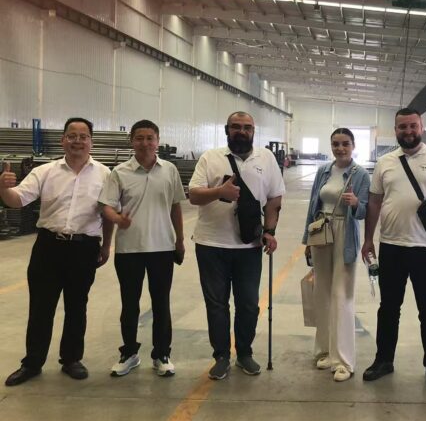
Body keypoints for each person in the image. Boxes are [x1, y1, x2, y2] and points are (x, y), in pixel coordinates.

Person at [0, 118, 114, 386]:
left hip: (84, 248)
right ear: (63, 140)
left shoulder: (105, 174)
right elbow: (17, 200)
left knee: (77, 306)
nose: (77, 141)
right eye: (72, 136)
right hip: (48, 248)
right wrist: (3, 187)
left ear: (91, 142)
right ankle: (32, 362)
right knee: (41, 307)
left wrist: (106, 245)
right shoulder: (45, 172)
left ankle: (71, 359)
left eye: (83, 136)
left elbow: (107, 214)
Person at [361, 107, 426, 389]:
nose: (408, 131)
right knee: (388, 308)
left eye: (412, 126)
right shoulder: (385, 162)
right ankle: (384, 360)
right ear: (395, 130)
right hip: (391, 246)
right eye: (402, 127)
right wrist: (368, 240)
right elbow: (374, 202)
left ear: (421, 127)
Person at [189, 111, 285, 380]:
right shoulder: (210, 158)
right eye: (236, 127)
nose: (241, 132)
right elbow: (193, 195)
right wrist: (219, 192)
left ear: (253, 131)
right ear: (226, 130)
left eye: (247, 127)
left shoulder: (266, 158)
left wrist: (270, 231)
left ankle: (244, 353)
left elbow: (274, 199)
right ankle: (221, 356)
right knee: (216, 304)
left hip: (249, 246)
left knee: (248, 304)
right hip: (211, 244)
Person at [99, 120, 186, 378]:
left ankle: (161, 354)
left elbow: (175, 206)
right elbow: (106, 207)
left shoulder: (169, 170)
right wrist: (117, 219)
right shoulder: (119, 172)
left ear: (157, 141)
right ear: (132, 141)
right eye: (139, 138)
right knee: (129, 305)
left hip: (162, 248)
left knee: (161, 304)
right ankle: (129, 353)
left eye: (150, 138)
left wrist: (180, 240)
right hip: (129, 250)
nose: (145, 143)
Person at [302, 128, 370, 382]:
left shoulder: (360, 174)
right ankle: (325, 350)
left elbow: (365, 211)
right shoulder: (323, 171)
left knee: (342, 294)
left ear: (353, 146)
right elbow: (313, 204)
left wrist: (356, 204)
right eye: (336, 144)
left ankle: (343, 360)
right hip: (321, 230)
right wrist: (307, 239)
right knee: (322, 292)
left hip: (345, 233)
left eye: (345, 144)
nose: (340, 148)